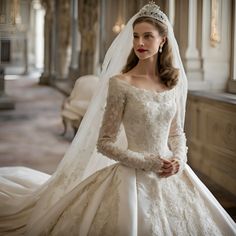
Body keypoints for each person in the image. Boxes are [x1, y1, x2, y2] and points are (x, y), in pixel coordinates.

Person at [0, 2, 235, 235]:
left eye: (147, 37)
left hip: (171, 172)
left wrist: (179, 159)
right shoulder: (121, 83)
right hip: (131, 176)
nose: (140, 43)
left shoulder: (171, 82)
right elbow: (105, 142)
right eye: (135, 36)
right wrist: (148, 162)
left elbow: (176, 133)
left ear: (163, 40)